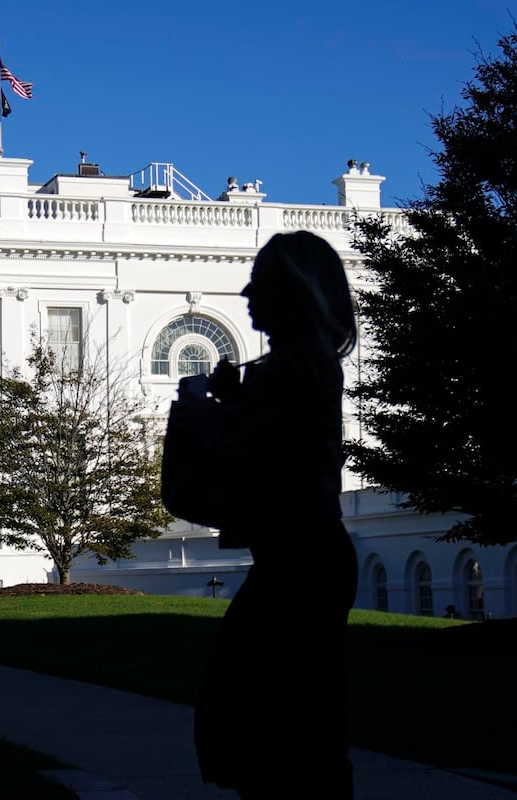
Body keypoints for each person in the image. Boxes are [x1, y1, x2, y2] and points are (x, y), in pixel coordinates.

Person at [190, 230, 359, 799]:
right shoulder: (302, 364)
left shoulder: (297, 367)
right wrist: (236, 402)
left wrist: (207, 416)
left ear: (294, 291)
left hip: (300, 561)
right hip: (302, 557)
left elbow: (258, 457)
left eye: (260, 281)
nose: (245, 292)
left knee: (269, 729)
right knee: (288, 728)